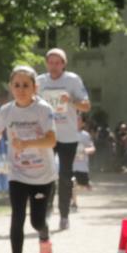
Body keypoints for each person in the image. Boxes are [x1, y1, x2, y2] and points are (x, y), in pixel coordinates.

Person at [0, 65, 57, 253]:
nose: (21, 89)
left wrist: (26, 143)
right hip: (17, 173)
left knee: (37, 221)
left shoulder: (43, 109)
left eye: (26, 85)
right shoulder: (6, 111)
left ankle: (44, 234)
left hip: (43, 175)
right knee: (17, 216)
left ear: (35, 87)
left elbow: (51, 140)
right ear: (11, 87)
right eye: (16, 85)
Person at [36, 48, 90, 230]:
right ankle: (46, 210)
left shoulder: (73, 80)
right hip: (47, 135)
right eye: (51, 62)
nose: (54, 66)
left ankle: (64, 214)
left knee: (65, 175)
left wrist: (71, 102)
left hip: (67, 136)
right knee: (46, 174)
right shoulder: (40, 81)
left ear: (64, 64)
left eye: (57, 62)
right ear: (46, 64)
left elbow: (86, 105)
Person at [71, 116, 96, 211]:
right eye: (75, 120)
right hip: (70, 165)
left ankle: (86, 183)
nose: (77, 122)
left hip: (82, 166)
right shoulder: (68, 134)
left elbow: (92, 148)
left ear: (83, 123)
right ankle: (74, 203)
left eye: (79, 121)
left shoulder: (85, 135)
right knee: (72, 183)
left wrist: (84, 150)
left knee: (81, 184)